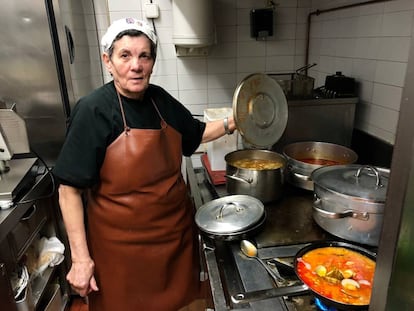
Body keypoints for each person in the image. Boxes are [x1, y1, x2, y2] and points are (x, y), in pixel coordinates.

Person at [53, 18, 236, 311]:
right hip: (121, 251)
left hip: (173, 240)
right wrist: (80, 259)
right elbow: (69, 190)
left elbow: (197, 133)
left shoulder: (159, 100)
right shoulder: (93, 110)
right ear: (108, 61)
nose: (135, 65)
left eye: (144, 55)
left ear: (152, 62)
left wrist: (235, 120)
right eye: (124, 55)